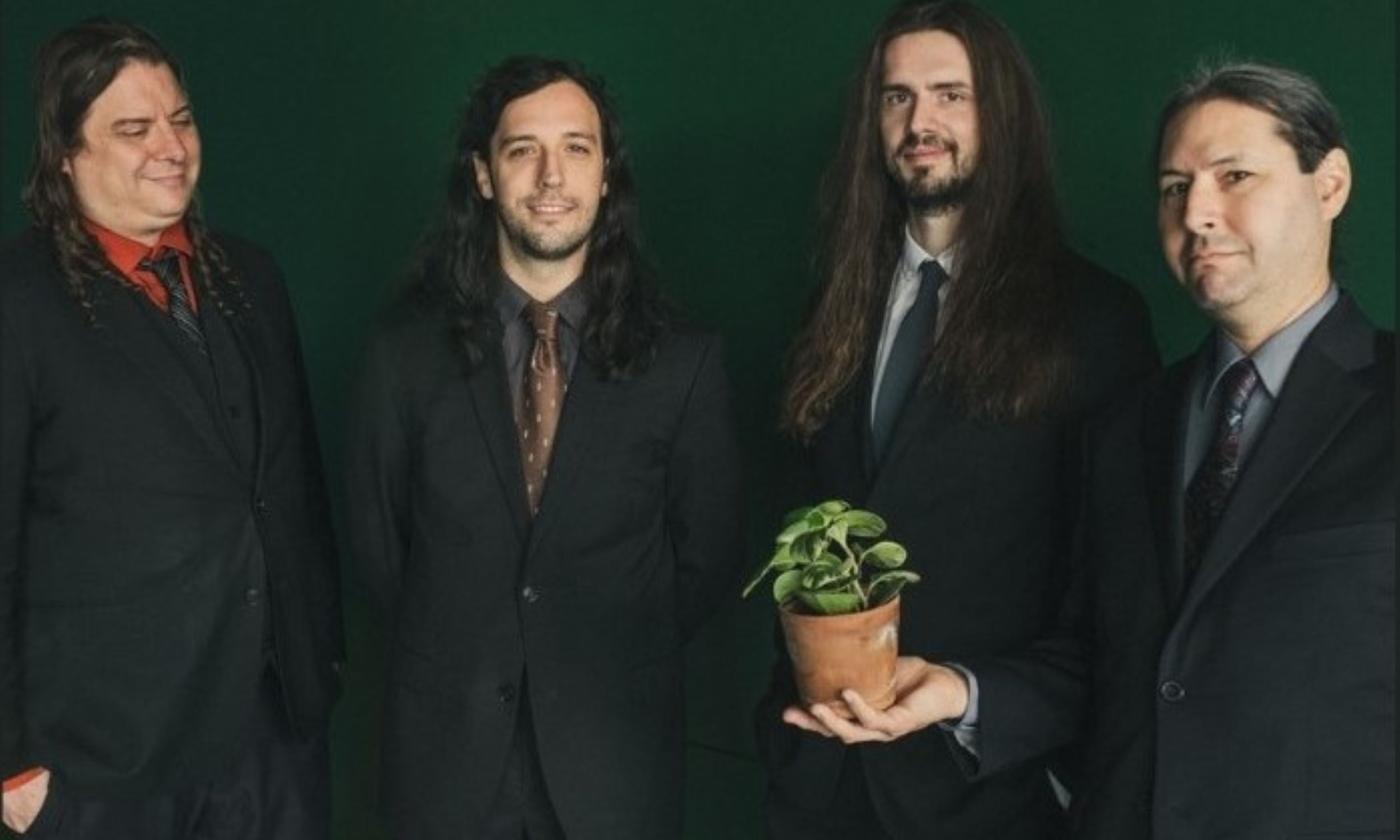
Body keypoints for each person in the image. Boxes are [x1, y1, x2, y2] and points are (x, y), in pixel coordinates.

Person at [824, 62, 1396, 839]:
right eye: (1173, 187)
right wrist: (961, 693)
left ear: (1329, 184)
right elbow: (1106, 662)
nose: (1197, 212)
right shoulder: (1132, 423)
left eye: (1234, 176)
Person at [756, 2, 1158, 837]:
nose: (920, 122)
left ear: (1000, 115)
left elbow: (1119, 606)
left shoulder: (1096, 321)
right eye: (897, 98)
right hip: (822, 786)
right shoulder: (830, 310)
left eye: (950, 94)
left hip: (992, 792)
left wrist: (975, 699)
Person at [346, 56, 744, 840]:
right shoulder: (401, 356)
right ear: (485, 175)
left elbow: (709, 559)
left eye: (577, 148)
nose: (550, 176)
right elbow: (378, 553)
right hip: (446, 770)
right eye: (523, 149)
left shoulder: (686, 363)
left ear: (606, 177)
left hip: (614, 763)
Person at [0, 19, 344, 840]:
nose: (171, 145)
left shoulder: (251, 275)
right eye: (133, 128)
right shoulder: (17, 303)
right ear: (67, 154)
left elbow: (291, 485)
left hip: (274, 736)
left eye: (180, 120)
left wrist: (318, 656)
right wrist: (10, 758)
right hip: (102, 760)